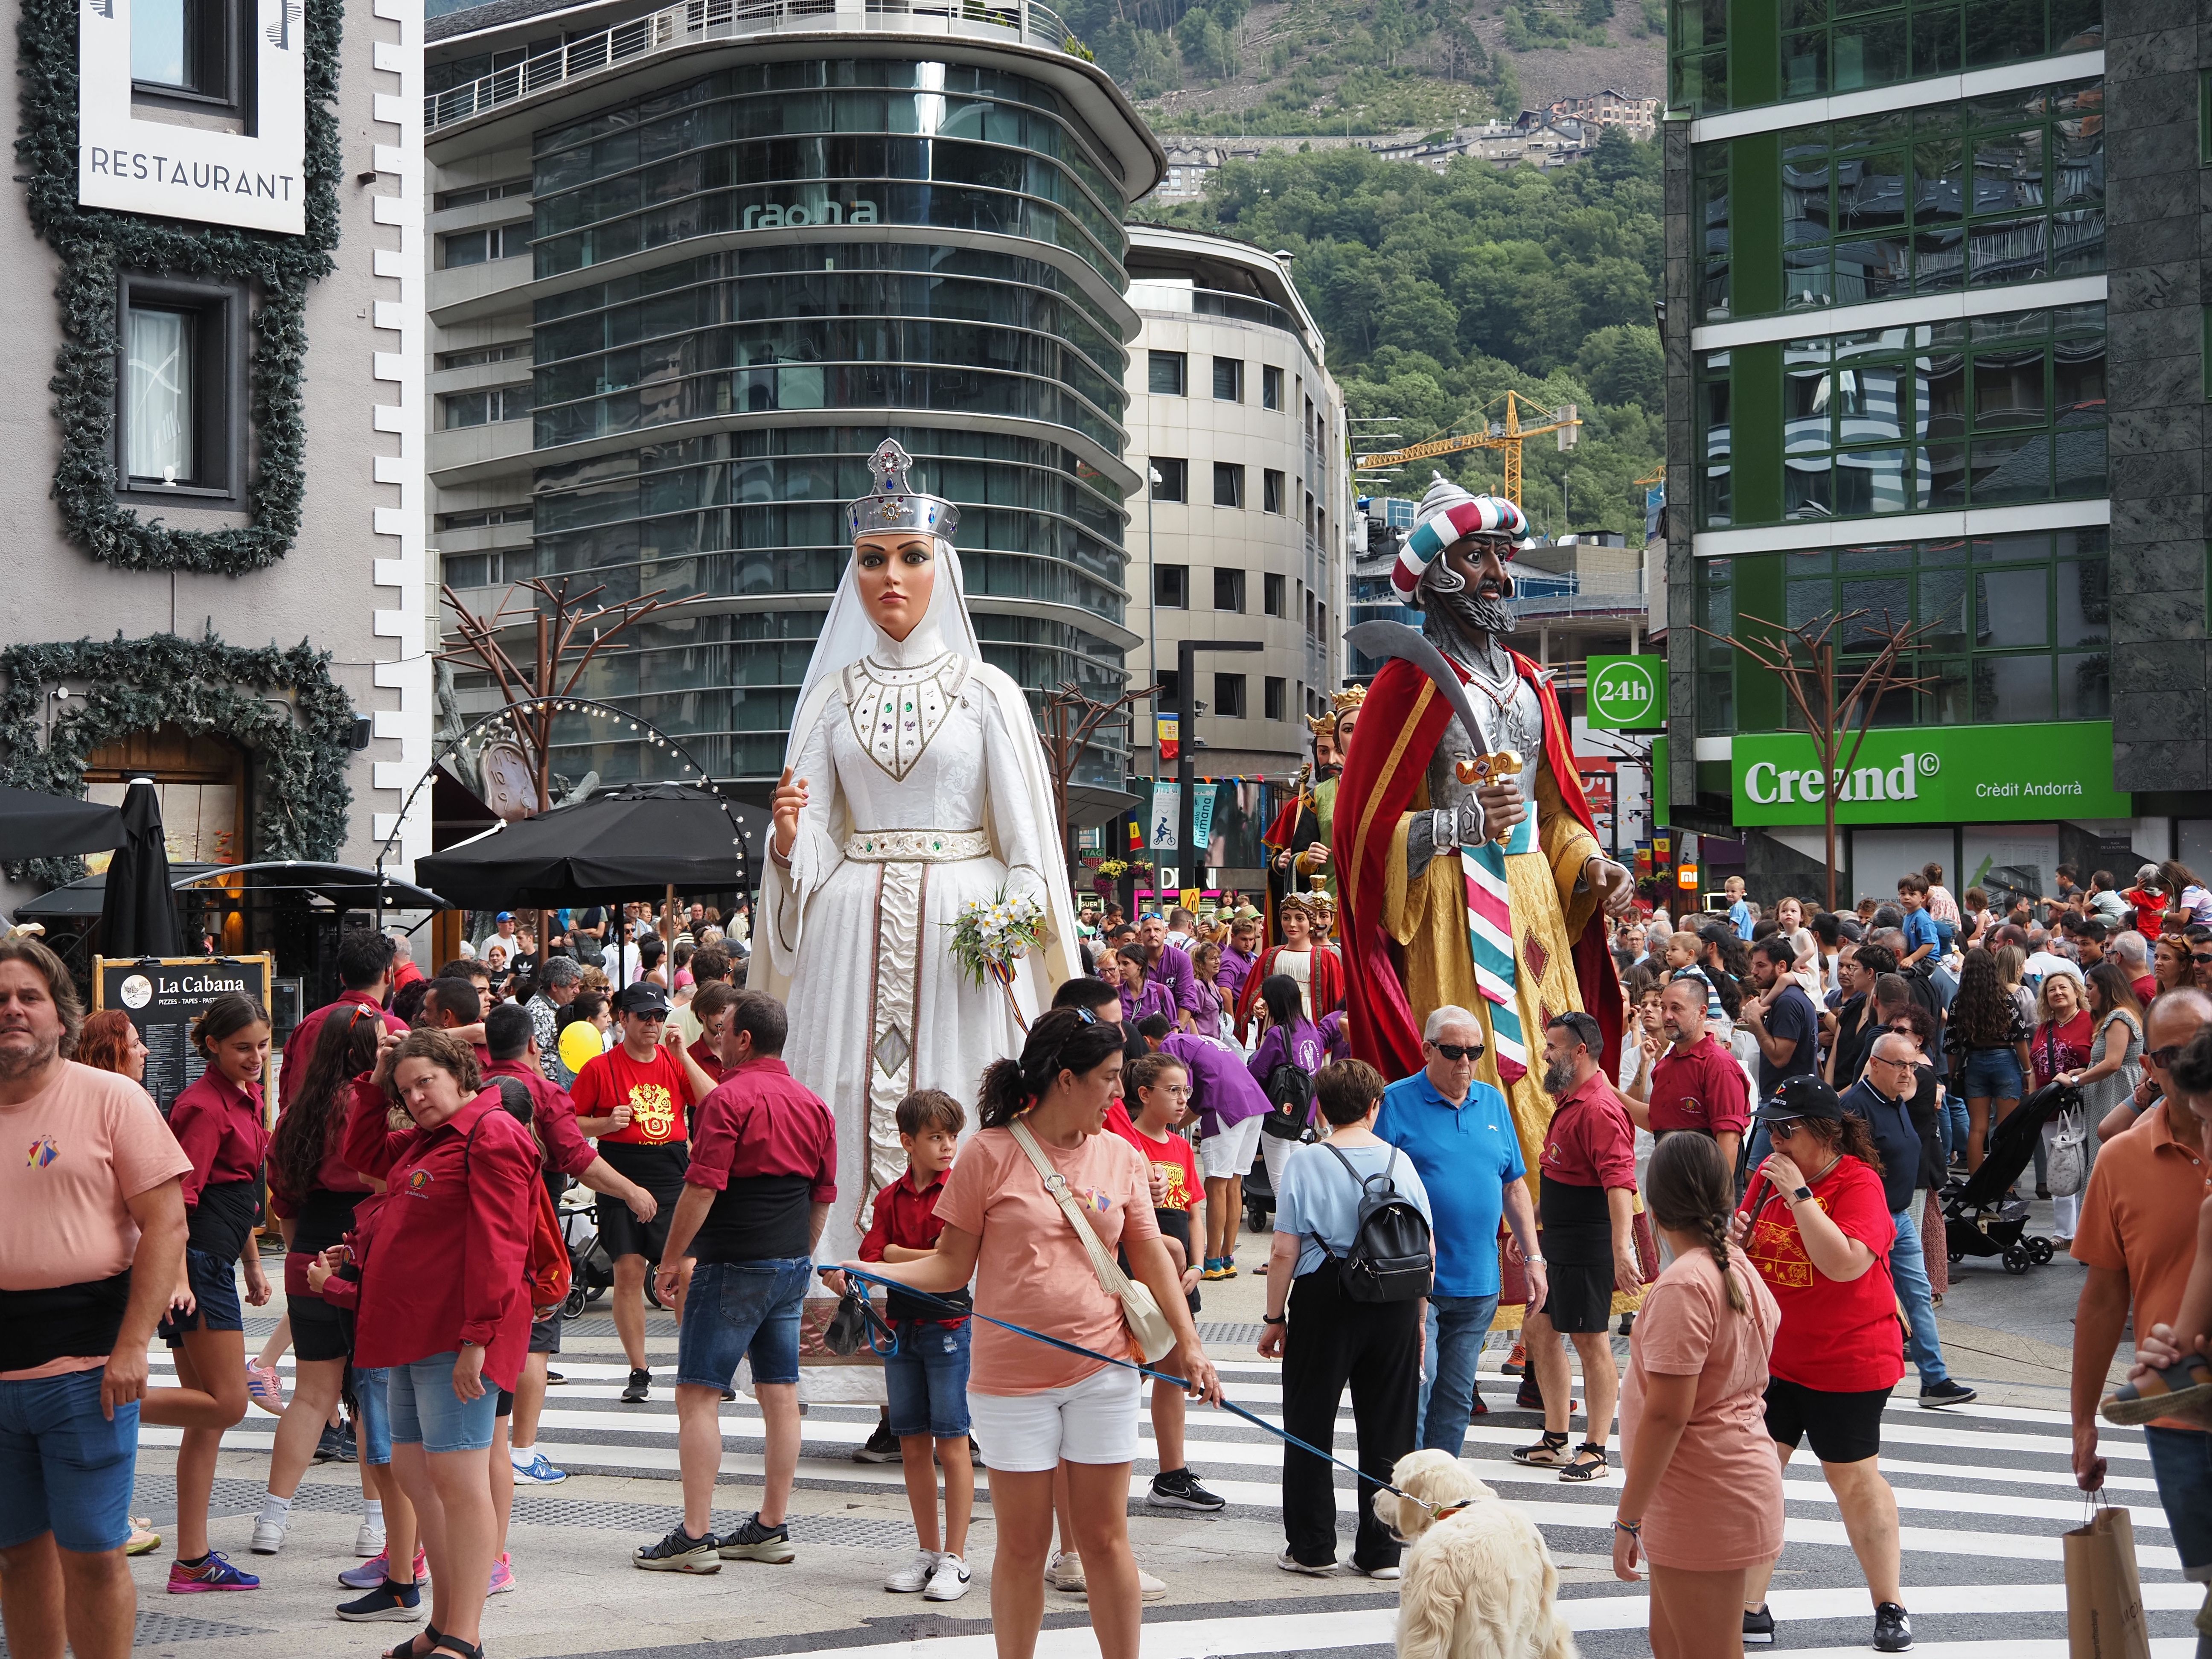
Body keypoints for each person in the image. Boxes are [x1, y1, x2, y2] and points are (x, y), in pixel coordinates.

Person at [757, 439, 1083, 1286]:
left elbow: (1027, 852)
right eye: (871, 560)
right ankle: (836, 1262)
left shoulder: (988, 694)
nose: (890, 577)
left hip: (960, 937)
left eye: (910, 557)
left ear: (943, 571)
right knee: (842, 1078)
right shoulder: (828, 699)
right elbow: (822, 836)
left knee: (956, 1085)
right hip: (847, 926)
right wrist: (791, 842)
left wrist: (1004, 926)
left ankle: (969, 1262)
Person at [841, 1008, 1220, 1659]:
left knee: (1104, 1540)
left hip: (1103, 1366)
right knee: (1022, 1546)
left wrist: (1189, 1344)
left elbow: (1151, 1252)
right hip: (1011, 1380)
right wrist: (866, 1267)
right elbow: (953, 1266)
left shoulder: (1121, 1153)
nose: (1119, 1094)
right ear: (1066, 1079)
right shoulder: (989, 1153)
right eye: (1108, 1078)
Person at [0, 935, 193, 1659]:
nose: (12, 1011)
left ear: (60, 1016)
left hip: (88, 1371)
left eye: (29, 997)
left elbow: (167, 1222)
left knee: (93, 1554)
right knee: (17, 1554)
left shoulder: (113, 1098)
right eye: (0, 999)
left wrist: (135, 1344)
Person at [341, 1027, 539, 1659]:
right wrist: (378, 1083)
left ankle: (465, 1631)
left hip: (458, 1333)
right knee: (415, 1472)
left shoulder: (492, 1132)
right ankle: (444, 1625)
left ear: (461, 1074)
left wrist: (477, 1338)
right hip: (413, 1328)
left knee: (457, 1478)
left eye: (426, 1080)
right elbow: (362, 1152)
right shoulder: (432, 1138)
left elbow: (503, 1242)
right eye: (408, 1089)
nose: (417, 1096)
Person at [636, 991, 836, 1574]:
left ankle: (695, 1535)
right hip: (789, 1262)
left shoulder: (729, 1100)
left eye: (723, 1031)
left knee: (698, 1394)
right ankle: (770, 1526)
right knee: (780, 1393)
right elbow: (822, 1196)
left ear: (744, 1039)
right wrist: (799, 1253)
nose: (716, 1038)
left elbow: (702, 1188)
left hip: (731, 1261)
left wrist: (671, 1260)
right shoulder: (814, 1105)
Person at [1731, 1076, 1910, 1653]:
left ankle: (1890, 1605)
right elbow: (1747, 1258)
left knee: (1853, 1481)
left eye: (1788, 1130)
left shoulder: (1858, 1184)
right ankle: (1749, 1607)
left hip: (1848, 1357)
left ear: (1826, 1134)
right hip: (1777, 1358)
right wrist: (1735, 1240)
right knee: (1758, 1478)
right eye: (1770, 1128)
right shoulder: (1766, 1177)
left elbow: (1842, 1265)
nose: (1775, 1141)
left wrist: (1801, 1198)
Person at [2070, 991, 2212, 1648]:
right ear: (2151, 1065)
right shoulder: (2123, 1160)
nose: (2190, 1066)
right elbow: (2103, 1298)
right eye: (2174, 1055)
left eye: (2202, 1047)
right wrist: (2082, 1424)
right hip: (2182, 1418)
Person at [1611, 1132, 1782, 1659]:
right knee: (1675, 1646)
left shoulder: (1685, 1284)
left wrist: (1628, 1517)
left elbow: (1667, 1415)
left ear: (1655, 1207)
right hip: (1715, 1484)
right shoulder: (1732, 1266)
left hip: (1703, 1492)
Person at [1262, 1058, 1431, 1578]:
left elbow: (1285, 1248)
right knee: (1389, 1424)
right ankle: (1381, 1550)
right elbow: (1425, 1245)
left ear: (1322, 1107)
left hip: (1326, 1297)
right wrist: (1419, 1320)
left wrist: (1274, 1316)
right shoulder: (1400, 1160)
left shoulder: (1307, 1162)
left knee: (1310, 1421)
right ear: (1375, 1105)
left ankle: (1312, 1546)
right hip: (1396, 1302)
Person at [480, 1002, 659, 1493]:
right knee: (536, 1342)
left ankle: (484, 1445)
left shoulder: (467, 1088)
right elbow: (579, 1159)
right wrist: (630, 1190)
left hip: (473, 1234)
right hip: (530, 1233)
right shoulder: (541, 1091)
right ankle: (522, 1452)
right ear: (535, 1046)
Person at [256, 1008, 400, 1572]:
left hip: (304, 1249)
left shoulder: (297, 1114)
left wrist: (302, 1252)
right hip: (366, 1250)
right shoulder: (377, 1109)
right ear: (368, 1052)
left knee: (311, 1395)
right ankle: (373, 1526)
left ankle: (272, 1519)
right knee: (367, 1397)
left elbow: (283, 1201)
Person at [1376, 1006, 1545, 1452]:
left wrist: (1534, 1258)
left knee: (1454, 1397)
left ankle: (1440, 1496)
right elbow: (1374, 1191)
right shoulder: (1394, 1101)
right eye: (1453, 1052)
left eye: (1475, 1052)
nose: (1465, 1062)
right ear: (1428, 1050)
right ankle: (1406, 1498)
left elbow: (1514, 1186)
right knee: (1417, 1392)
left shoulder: (1491, 1101)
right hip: (1416, 1283)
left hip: (1477, 1284)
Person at [157, 994, 274, 1593]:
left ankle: (192, 1560)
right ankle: (91, 1401)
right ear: (212, 1046)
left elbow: (242, 1190)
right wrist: (177, 1278)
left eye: (261, 1044)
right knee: (228, 1404)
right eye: (242, 1047)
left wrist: (252, 1262)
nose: (256, 1057)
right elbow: (178, 1198)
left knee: (206, 1420)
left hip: (213, 1262)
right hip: (196, 1267)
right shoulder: (202, 1106)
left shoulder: (244, 1096)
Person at [569, 980, 714, 1403]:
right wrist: (603, 1125)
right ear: (623, 1019)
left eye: (658, 1016)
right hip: (621, 1168)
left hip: (671, 1171)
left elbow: (712, 1101)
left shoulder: (672, 1061)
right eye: (644, 1017)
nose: (653, 1024)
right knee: (628, 1271)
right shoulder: (600, 1068)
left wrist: (683, 1054)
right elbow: (568, 1123)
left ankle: (695, 1364)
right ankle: (639, 1368)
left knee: (688, 1271)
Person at [1511, 1013, 1640, 1480]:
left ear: (1580, 1051)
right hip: (1560, 1243)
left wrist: (1622, 1250)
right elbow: (1562, 1172)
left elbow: (1618, 1184)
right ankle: (1556, 1440)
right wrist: (1534, 1224)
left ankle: (1598, 1449)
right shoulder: (1572, 1101)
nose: (1545, 1054)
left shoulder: (1601, 1108)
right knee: (1540, 1332)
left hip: (1588, 1244)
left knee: (1590, 1341)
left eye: (1553, 1046)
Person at [1843, 1031, 1976, 1408]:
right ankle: (1853, 1375)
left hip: (1898, 1216)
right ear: (1874, 1065)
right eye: (1899, 1065)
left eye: (1912, 1065)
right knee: (1868, 1300)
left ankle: (1934, 1379)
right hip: (1869, 1219)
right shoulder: (1857, 1107)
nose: (1907, 1073)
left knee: (1917, 1294)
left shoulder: (1896, 1099)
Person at [1112, 1055, 1221, 1514]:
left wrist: (1198, 1264)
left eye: (1186, 1091)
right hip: (1138, 1267)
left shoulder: (1179, 1146)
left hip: (1180, 1272)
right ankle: (1106, 1464)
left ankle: (1172, 1475)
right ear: (1144, 1094)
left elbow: (1194, 1211)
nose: (1183, 1100)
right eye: (1173, 1091)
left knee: (1174, 1370)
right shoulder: (1122, 1141)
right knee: (1128, 1368)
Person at [1247, 972, 1325, 1210]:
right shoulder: (1311, 1029)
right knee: (1299, 1180)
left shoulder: (1277, 1034)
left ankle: (1287, 1231)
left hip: (1279, 1116)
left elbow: (1256, 1073)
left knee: (1281, 1182)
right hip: (1305, 1116)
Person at [1951, 947, 2031, 1171]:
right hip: (2005, 1060)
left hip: (1974, 1061)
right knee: (2006, 1128)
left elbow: (1951, 1043)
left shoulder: (1959, 1002)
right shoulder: (2005, 999)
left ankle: (1977, 1183)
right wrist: (2027, 1071)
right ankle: (2005, 1186)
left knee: (1977, 1129)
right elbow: (2020, 1037)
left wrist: (1952, 1074)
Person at [2029, 966, 2095, 1231]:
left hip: (2081, 1107)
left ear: (2077, 992)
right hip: (2048, 1109)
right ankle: (2064, 1232)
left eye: (2063, 988)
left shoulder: (2091, 1022)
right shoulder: (2043, 1027)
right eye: (2051, 989)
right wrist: (2033, 1100)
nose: (2057, 993)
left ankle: (2084, 1231)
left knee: (2081, 1169)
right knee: (2059, 1171)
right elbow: (2035, 1067)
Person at [2064, 961, 2144, 1162]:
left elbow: (2113, 1063)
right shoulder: (2122, 1013)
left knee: (2108, 1153)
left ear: (2106, 987)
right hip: (2110, 1091)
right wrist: (2085, 1070)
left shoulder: (2118, 1017)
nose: (2086, 994)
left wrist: (2077, 1081)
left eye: (2090, 987)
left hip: (2114, 1093)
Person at [1231, 893, 1343, 1036]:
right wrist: (1258, 1005)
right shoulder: (1270, 956)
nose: (1292, 924)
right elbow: (1253, 992)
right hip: (1275, 1021)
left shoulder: (1326, 959)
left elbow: (1336, 1001)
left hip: (1310, 1022)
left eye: (1300, 918)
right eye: (1286, 918)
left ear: (1312, 923)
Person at [1740, 935, 1818, 1107]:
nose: (1754, 971)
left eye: (1761, 966)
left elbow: (1779, 1058)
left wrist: (1756, 1023)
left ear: (1782, 966)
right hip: (1784, 1101)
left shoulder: (1787, 1002)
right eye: (1753, 965)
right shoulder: (1784, 997)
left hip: (1786, 1105)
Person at [527, 957, 582, 1086]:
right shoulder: (539, 1013)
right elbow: (533, 1063)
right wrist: (550, 1094)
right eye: (572, 987)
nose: (578, 991)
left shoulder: (557, 1007)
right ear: (555, 986)